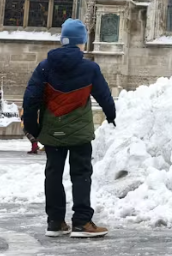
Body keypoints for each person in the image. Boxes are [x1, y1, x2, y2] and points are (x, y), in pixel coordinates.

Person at [23, 19, 117, 237]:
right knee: (81, 173)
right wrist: (111, 115)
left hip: (52, 131)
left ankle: (55, 222)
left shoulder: (44, 67)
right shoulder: (90, 68)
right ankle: (82, 222)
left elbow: (30, 99)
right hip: (79, 133)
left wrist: (32, 128)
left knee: (53, 173)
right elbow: (104, 95)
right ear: (81, 43)